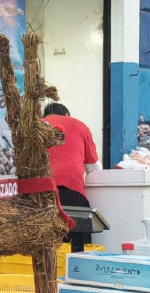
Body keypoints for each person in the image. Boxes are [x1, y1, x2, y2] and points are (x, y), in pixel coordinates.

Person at [42, 102, 100, 248]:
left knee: (45, 244)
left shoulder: (37, 126)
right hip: (71, 190)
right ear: (67, 115)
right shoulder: (79, 125)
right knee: (77, 241)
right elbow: (93, 167)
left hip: (40, 193)